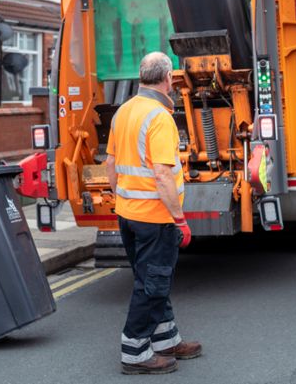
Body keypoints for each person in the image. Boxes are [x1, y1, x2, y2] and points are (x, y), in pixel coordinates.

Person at [105, 52, 201, 375]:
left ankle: (165, 340)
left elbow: (111, 164)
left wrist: (119, 200)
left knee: (151, 279)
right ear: (167, 78)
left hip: (129, 215)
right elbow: (162, 174)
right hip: (155, 218)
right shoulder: (159, 117)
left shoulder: (123, 112)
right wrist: (180, 219)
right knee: (153, 284)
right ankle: (135, 352)